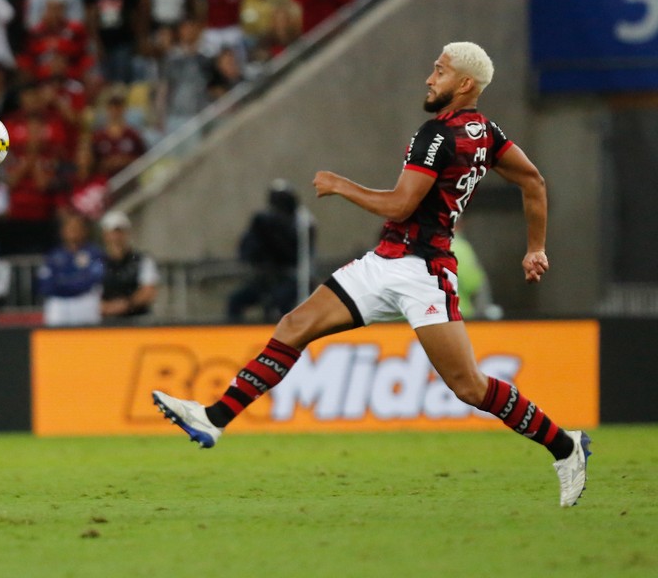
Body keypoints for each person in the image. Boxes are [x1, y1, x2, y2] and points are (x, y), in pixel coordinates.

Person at [152, 42, 592, 508]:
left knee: (468, 386)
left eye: (439, 71)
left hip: (423, 272)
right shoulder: (485, 132)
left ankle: (566, 447)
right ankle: (213, 418)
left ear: (465, 85)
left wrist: (342, 186)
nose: (429, 78)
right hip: (384, 262)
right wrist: (536, 248)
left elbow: (402, 204)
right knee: (293, 327)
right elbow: (533, 181)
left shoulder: (436, 135)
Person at [227, 179, 312, 323]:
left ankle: (285, 338)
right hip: (265, 280)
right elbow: (246, 250)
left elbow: (295, 256)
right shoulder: (262, 223)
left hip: (292, 280)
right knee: (236, 301)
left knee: (279, 302)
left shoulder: (303, 222)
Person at [37, 212, 104, 327]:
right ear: (63, 232)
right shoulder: (54, 255)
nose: (73, 231)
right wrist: (73, 281)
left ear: (85, 231)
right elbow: (45, 284)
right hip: (59, 302)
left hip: (84, 301)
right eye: (70, 228)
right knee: (55, 339)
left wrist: (63, 282)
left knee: (87, 339)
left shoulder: (94, 253)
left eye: (77, 228)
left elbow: (92, 279)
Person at [99, 210, 159, 321]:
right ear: (105, 235)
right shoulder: (97, 262)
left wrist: (126, 304)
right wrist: (106, 307)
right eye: (113, 232)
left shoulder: (142, 260)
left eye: (120, 232)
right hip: (106, 322)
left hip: (137, 318)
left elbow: (148, 291)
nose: (116, 237)